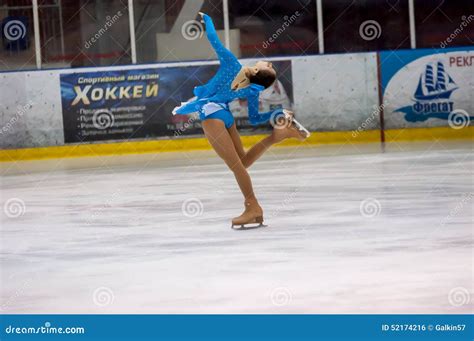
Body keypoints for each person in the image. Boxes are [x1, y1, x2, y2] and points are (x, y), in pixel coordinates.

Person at [173, 12, 309, 229]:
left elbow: (213, 39)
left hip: (212, 115)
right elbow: (255, 119)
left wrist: (207, 19)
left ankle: (253, 207)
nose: (269, 63)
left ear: (257, 70)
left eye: (270, 67)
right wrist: (277, 114)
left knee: (237, 167)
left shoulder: (232, 63)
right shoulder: (252, 89)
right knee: (243, 162)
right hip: (225, 117)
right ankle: (277, 136)